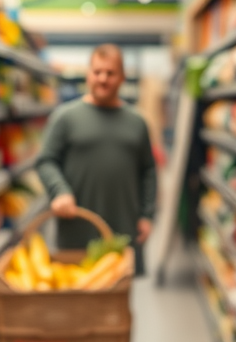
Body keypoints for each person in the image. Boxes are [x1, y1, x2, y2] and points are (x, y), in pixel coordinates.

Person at [36, 44, 157, 273]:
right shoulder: (65, 118)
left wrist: (147, 215)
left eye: (110, 73)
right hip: (77, 227)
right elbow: (45, 160)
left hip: (123, 228)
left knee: (117, 298)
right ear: (88, 74)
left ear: (122, 77)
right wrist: (59, 190)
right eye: (97, 71)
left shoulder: (137, 122)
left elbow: (148, 171)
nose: (103, 79)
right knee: (77, 296)